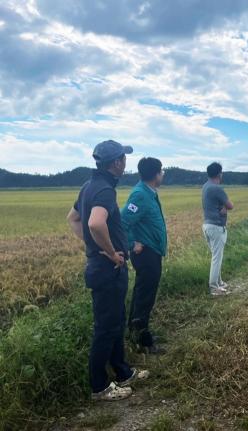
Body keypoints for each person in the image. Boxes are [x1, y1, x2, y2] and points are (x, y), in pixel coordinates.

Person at [66, 140, 149, 402]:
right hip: (108, 269)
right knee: (105, 328)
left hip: (103, 267)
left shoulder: (88, 186)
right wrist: (111, 252)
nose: (126, 162)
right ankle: (99, 386)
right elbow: (94, 222)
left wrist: (92, 246)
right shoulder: (104, 190)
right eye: (124, 158)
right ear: (116, 163)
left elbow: (73, 219)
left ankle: (123, 372)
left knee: (115, 322)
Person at [121, 157, 167, 354]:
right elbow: (123, 223)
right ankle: (142, 341)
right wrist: (132, 244)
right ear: (155, 174)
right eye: (162, 171)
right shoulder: (140, 195)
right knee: (144, 297)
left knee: (144, 293)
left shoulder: (148, 192)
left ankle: (135, 332)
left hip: (152, 251)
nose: (163, 174)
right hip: (146, 253)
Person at [201, 162, 234, 296]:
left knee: (216, 256)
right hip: (216, 227)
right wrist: (226, 207)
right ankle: (214, 287)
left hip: (207, 225)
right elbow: (231, 205)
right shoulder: (216, 188)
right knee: (217, 258)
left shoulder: (205, 186)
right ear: (219, 173)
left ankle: (219, 282)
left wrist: (223, 207)